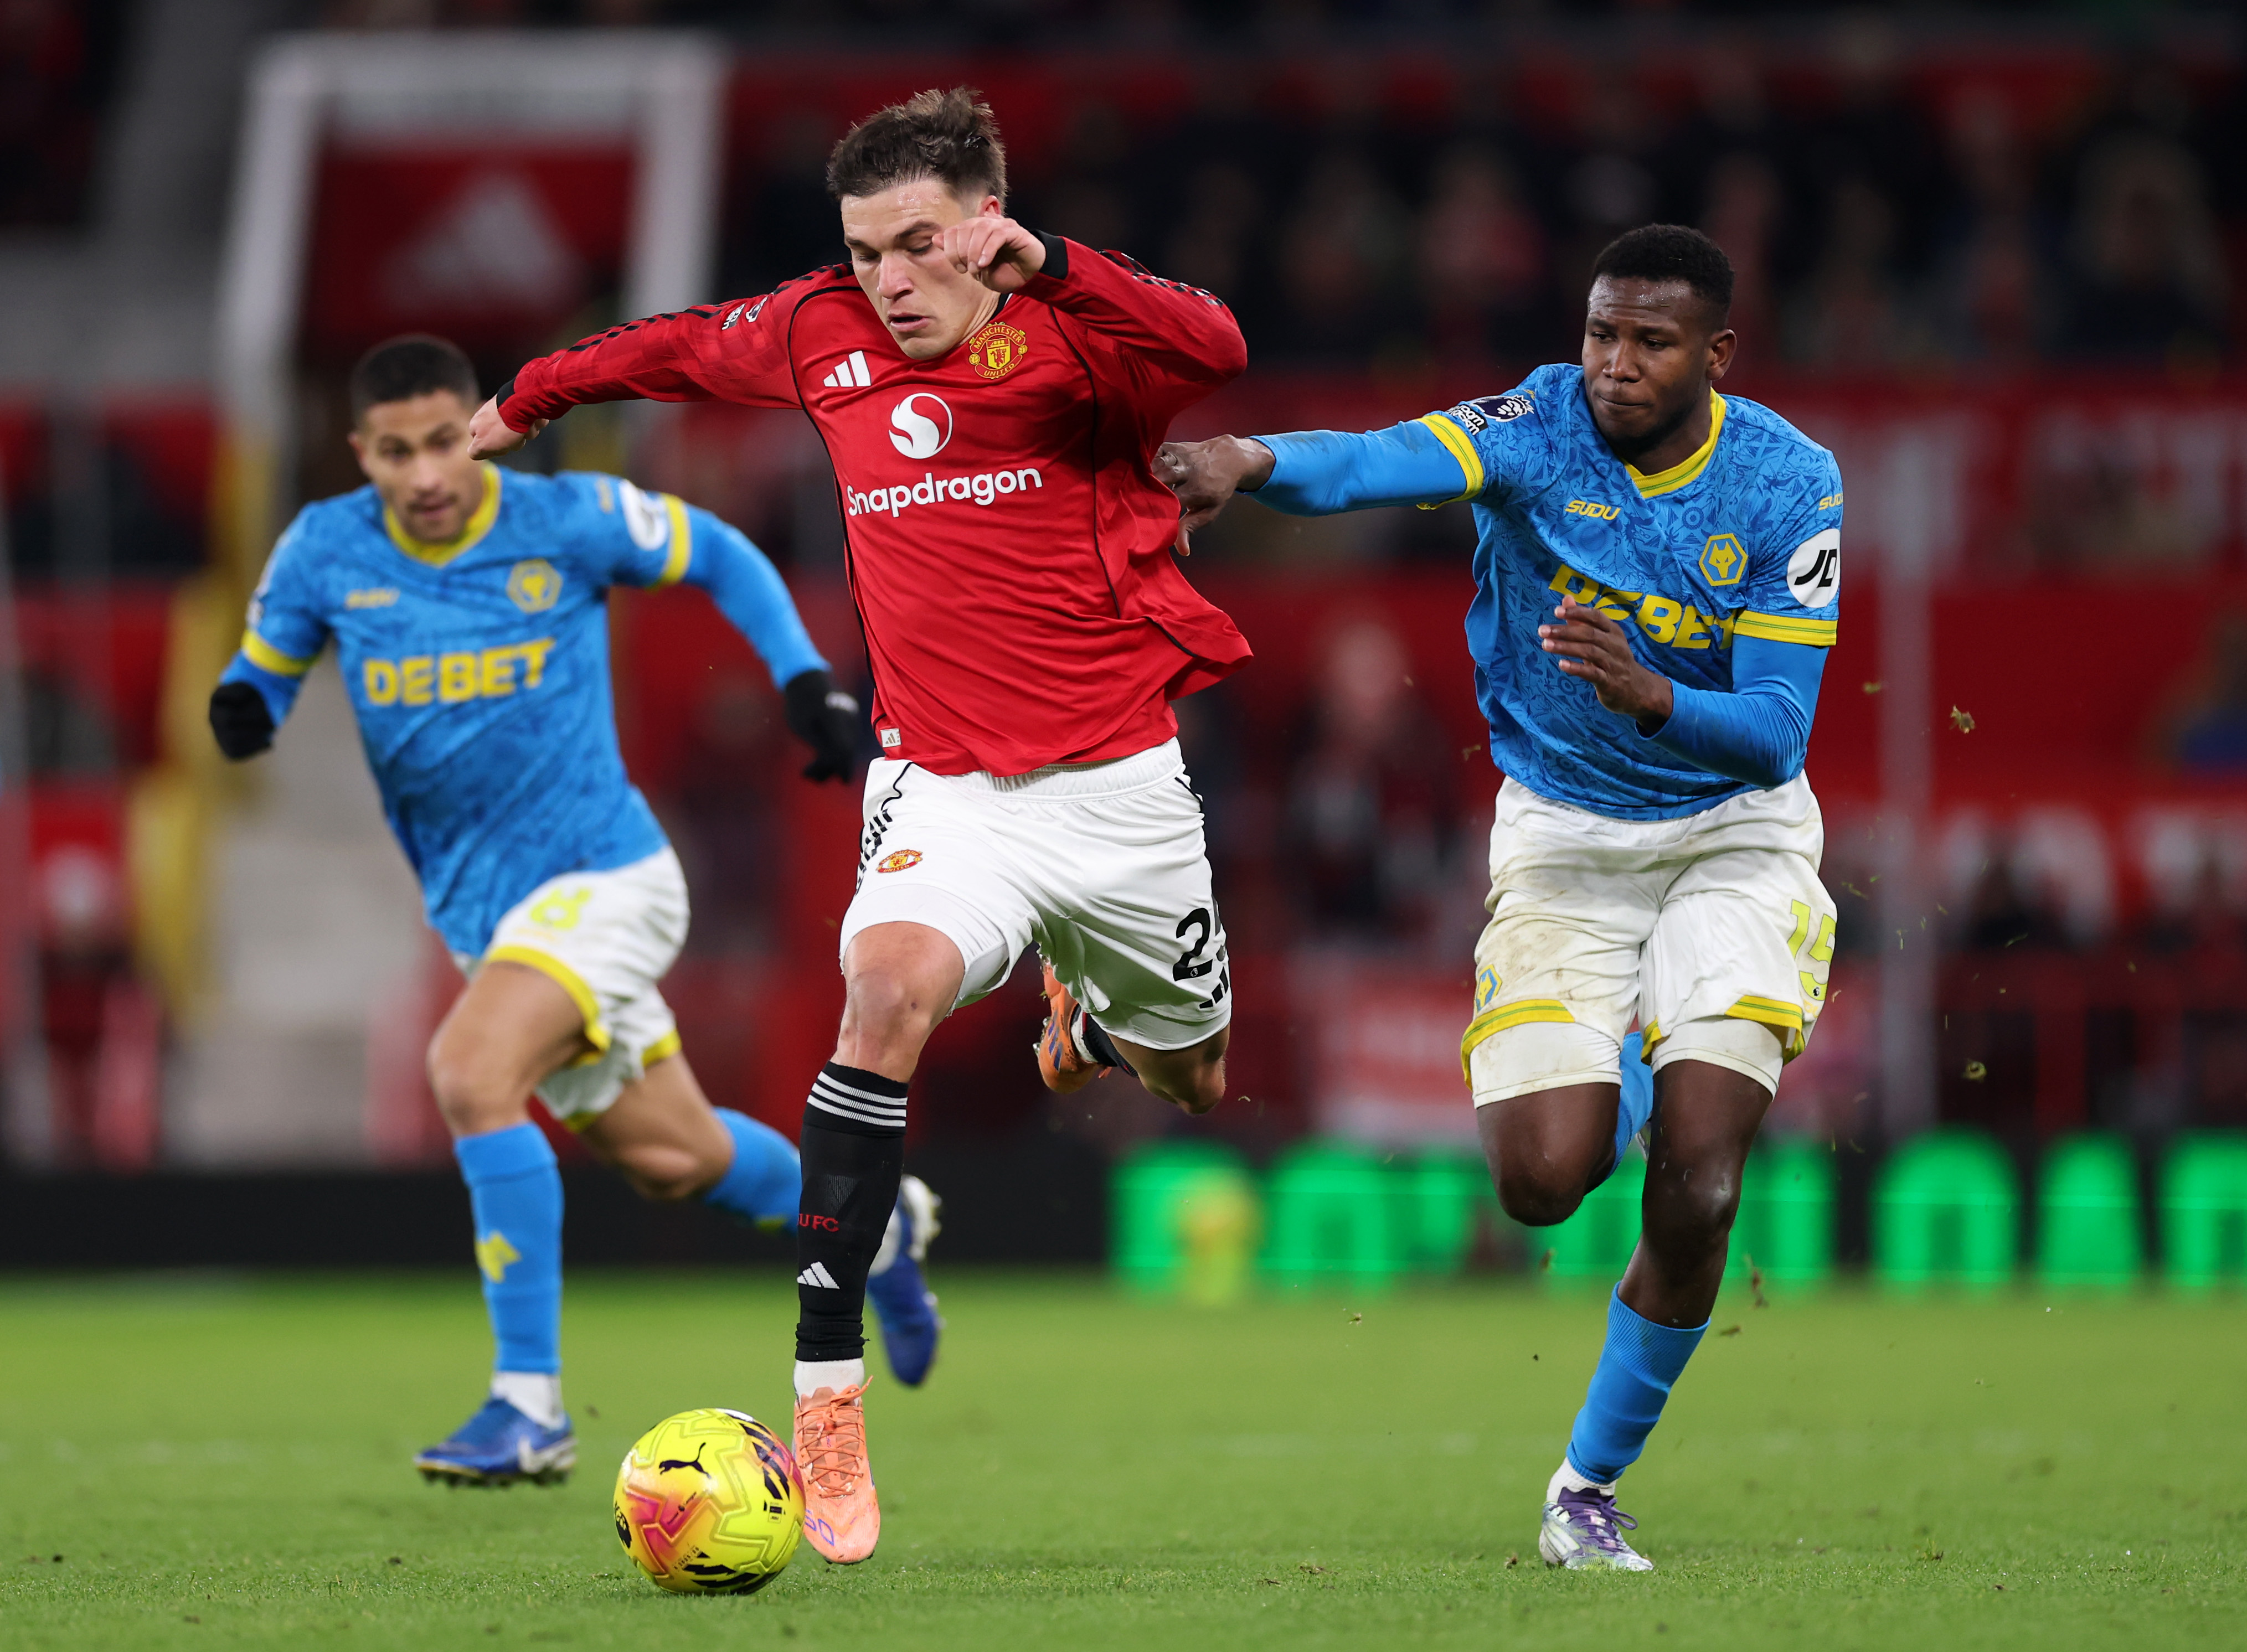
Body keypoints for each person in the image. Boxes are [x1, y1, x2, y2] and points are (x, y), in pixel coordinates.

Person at [467, 87, 1251, 1564]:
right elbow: (671, 347)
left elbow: (1217, 348)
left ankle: (1088, 1015)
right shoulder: (820, 331)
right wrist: (526, 400)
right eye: (861, 250)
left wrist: (1061, 264)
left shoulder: (1085, 332)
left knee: (1197, 1079)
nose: (885, 280)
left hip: (1119, 789)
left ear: (984, 220)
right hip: (943, 787)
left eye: (912, 245)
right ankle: (824, 1402)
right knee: (880, 996)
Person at [1157, 224, 1841, 1571]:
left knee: (1699, 1187)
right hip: (1564, 841)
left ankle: (1584, 1486)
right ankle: (1645, 1063)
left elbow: (1773, 731)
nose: (1613, 365)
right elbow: (1379, 460)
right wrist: (1248, 460)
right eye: (1600, 333)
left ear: (1716, 355)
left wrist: (1654, 694)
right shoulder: (1536, 423)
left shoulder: (1787, 480)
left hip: (1732, 836)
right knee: (1541, 1183)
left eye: (1649, 343)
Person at [208, 334, 946, 1489]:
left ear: (480, 426)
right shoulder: (324, 547)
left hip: (606, 879)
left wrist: (805, 680)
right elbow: (264, 661)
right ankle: (884, 1223)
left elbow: (725, 556)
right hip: (490, 924)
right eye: (396, 452)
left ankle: (529, 1405)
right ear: (363, 455)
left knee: (467, 1071)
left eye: (446, 440)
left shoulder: (565, 517)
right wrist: (245, 707)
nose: (426, 474)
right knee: (678, 1156)